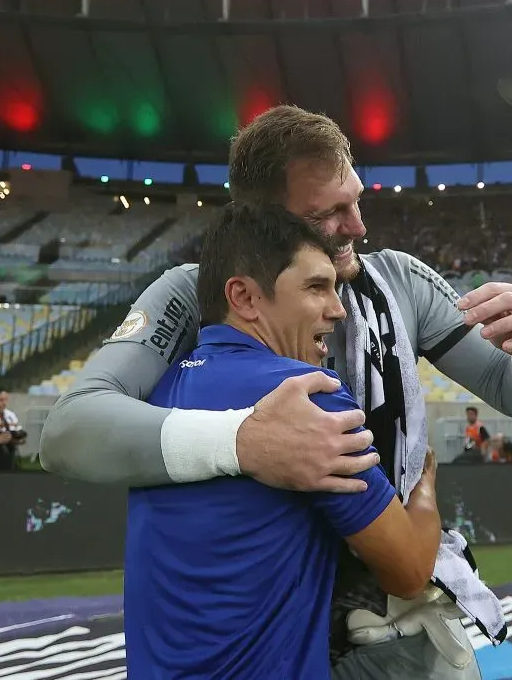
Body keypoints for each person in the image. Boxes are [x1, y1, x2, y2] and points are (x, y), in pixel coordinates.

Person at [40, 105, 512, 677]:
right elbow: (69, 429)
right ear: (265, 222)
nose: (359, 227)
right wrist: (245, 441)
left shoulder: (399, 282)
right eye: (330, 213)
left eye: (356, 200)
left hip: (390, 617)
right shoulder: (199, 292)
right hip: (274, 617)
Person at [126, 203, 442, 678]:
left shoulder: (156, 390)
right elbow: (410, 571)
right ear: (245, 297)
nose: (338, 309)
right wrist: (425, 494)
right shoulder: (307, 397)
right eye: (316, 287)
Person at [0, 387, 26, 471]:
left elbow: (14, 429)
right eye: (1, 400)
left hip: (9, 452)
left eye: (6, 400)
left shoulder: (9, 415)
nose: (4, 403)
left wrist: (16, 439)